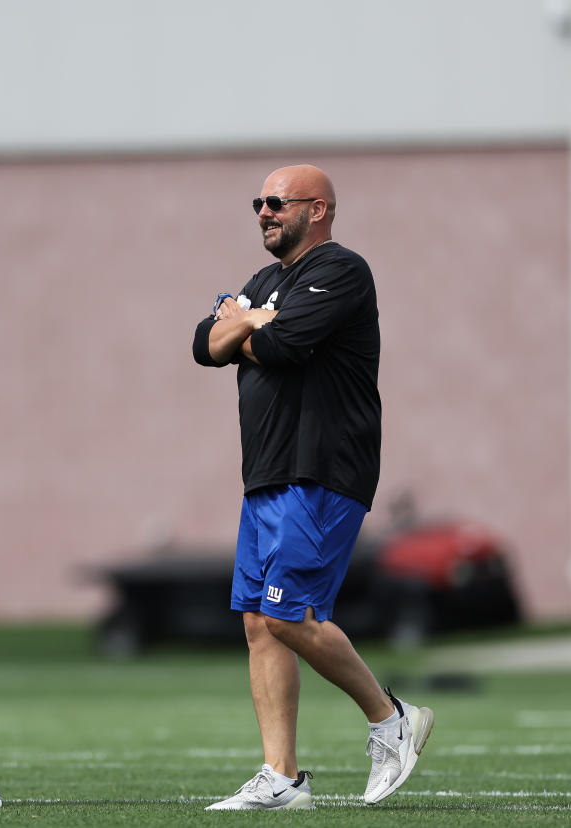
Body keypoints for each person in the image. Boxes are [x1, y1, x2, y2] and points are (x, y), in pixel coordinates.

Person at [192, 165, 434, 810]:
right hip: (267, 471)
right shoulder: (264, 282)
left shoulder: (344, 269)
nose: (265, 212)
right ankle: (283, 778)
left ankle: (391, 718)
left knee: (287, 613)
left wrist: (246, 324)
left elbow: (285, 344)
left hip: (323, 467)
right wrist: (252, 321)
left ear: (318, 209)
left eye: (277, 202)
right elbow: (203, 345)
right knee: (258, 623)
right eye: (259, 203)